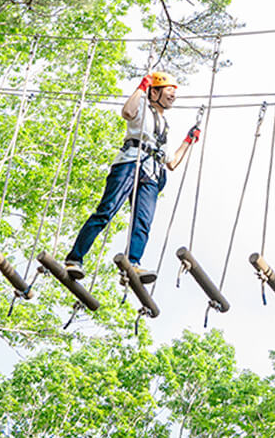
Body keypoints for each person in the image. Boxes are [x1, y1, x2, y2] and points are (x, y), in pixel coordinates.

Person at [64, 72, 199, 283]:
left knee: (143, 222)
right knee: (106, 211)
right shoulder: (142, 107)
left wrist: (188, 141)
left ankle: (132, 264)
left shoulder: (165, 127)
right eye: (169, 90)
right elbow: (127, 112)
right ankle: (74, 259)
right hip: (130, 163)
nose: (173, 95)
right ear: (154, 92)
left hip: (152, 172)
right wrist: (141, 87)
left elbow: (172, 162)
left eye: (174, 91)